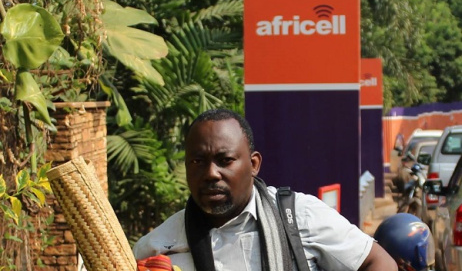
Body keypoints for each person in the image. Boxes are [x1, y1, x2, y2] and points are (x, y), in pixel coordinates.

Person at [133, 108, 397, 271]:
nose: (211, 173)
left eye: (225, 161)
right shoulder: (157, 248)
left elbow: (379, 263)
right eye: (197, 162)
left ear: (254, 164)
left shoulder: (299, 217)